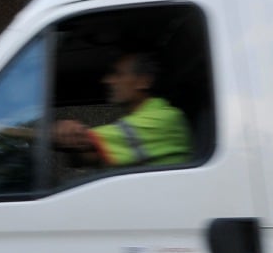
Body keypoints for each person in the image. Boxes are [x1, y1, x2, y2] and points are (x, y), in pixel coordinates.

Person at [54, 51, 190, 167]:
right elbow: (87, 157)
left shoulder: (162, 119)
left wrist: (35, 133)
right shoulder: (144, 119)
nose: (107, 81)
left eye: (118, 74)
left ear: (144, 82)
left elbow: (86, 143)